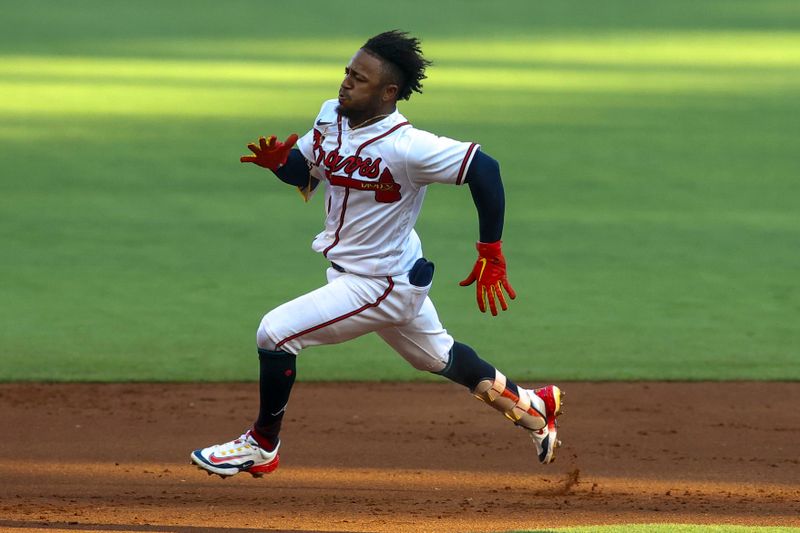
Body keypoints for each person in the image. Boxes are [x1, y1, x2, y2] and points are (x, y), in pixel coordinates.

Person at [190, 30, 564, 478]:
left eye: (359, 79)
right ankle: (535, 409)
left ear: (388, 93)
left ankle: (262, 444)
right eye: (347, 72)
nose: (346, 83)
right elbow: (307, 169)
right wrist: (281, 165)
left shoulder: (409, 147)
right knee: (438, 357)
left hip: (381, 283)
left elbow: (485, 168)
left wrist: (491, 250)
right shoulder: (332, 116)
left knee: (276, 334)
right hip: (379, 273)